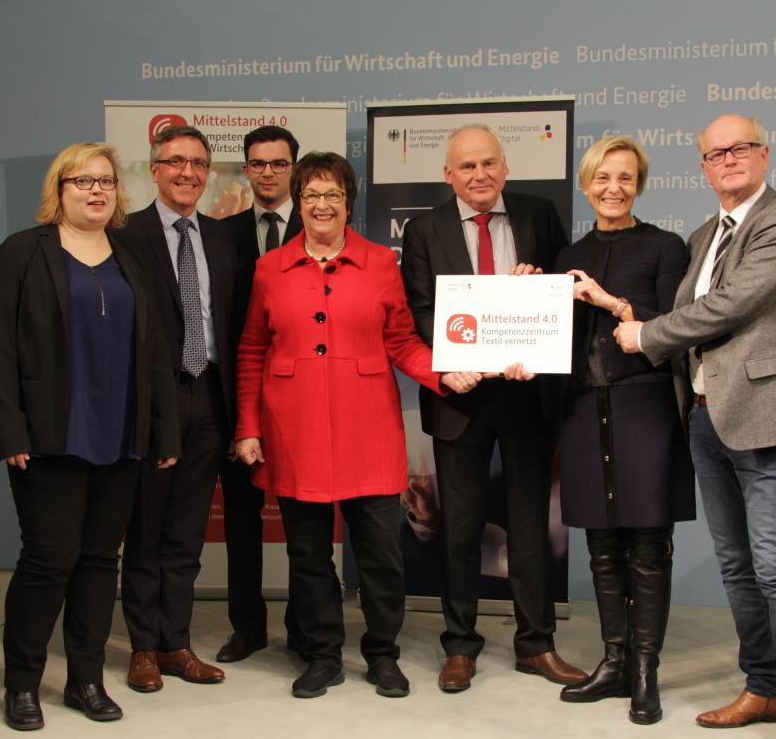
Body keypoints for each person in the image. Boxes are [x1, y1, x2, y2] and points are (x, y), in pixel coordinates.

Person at [614, 114, 776, 739]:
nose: (727, 160)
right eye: (714, 154)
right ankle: (762, 686)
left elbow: (732, 304)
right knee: (737, 565)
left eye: (739, 149)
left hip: (768, 415)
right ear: (703, 167)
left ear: (765, 154)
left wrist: (647, 337)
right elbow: (689, 314)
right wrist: (629, 316)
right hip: (706, 416)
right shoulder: (705, 235)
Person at [234, 152, 480, 699]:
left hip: (368, 428)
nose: (322, 205)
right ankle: (322, 655)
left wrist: (443, 373)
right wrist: (248, 426)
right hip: (294, 430)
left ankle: (382, 654)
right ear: (298, 202)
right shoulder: (270, 268)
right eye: (311, 195)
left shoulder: (380, 263)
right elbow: (252, 349)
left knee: (381, 555)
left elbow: (401, 341)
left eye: (334, 195)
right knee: (308, 556)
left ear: (349, 202)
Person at [0, 141, 179, 730]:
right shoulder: (23, 252)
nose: (97, 190)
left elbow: (156, 352)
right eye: (83, 181)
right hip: (49, 436)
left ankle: (86, 680)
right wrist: (8, 429)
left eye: (106, 181)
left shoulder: (131, 258)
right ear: (59, 190)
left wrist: (164, 430)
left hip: (121, 436)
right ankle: (22, 684)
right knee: (47, 561)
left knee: (97, 563)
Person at [400, 124, 584, 692]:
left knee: (530, 522)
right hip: (460, 396)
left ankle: (536, 644)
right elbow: (419, 310)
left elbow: (565, 293)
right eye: (467, 166)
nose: (479, 175)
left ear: (505, 167)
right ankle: (460, 646)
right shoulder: (424, 229)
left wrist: (541, 289)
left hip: (527, 394)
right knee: (458, 526)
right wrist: (450, 364)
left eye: (488, 164)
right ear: (448, 174)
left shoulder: (539, 215)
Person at [552, 137, 695, 724]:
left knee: (648, 546)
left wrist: (612, 303)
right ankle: (614, 662)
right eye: (603, 177)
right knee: (602, 546)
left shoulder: (665, 247)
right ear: (586, 184)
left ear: (640, 184)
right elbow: (552, 339)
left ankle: (644, 672)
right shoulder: (569, 253)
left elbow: (675, 328)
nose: (614, 188)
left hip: (646, 407)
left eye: (626, 178)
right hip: (584, 410)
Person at [119, 125, 241, 691]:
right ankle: (143, 647)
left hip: (210, 398)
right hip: (152, 399)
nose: (187, 172)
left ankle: (177, 644)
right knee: (147, 529)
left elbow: (234, 329)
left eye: (197, 162)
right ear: (154, 170)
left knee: (188, 534)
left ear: (208, 173)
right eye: (175, 161)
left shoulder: (223, 239)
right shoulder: (126, 235)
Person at [216, 125, 304, 663]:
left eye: (278, 163)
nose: (268, 172)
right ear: (246, 169)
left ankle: (304, 627)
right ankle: (247, 627)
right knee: (241, 521)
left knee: (304, 526)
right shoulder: (220, 235)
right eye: (258, 163)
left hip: (301, 399)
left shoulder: (320, 228)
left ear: (294, 167)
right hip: (239, 400)